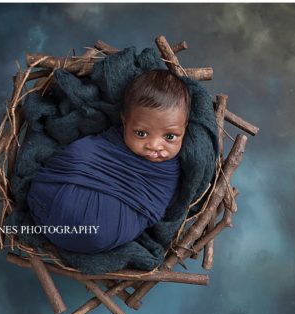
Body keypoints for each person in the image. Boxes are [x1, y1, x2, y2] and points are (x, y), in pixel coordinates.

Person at [27, 69, 188, 254]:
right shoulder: (111, 141)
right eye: (141, 133)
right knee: (79, 153)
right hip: (52, 197)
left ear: (185, 130)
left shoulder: (168, 171)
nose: (154, 146)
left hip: (94, 232)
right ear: (124, 122)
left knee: (101, 231)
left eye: (170, 136)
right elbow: (84, 154)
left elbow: (154, 203)